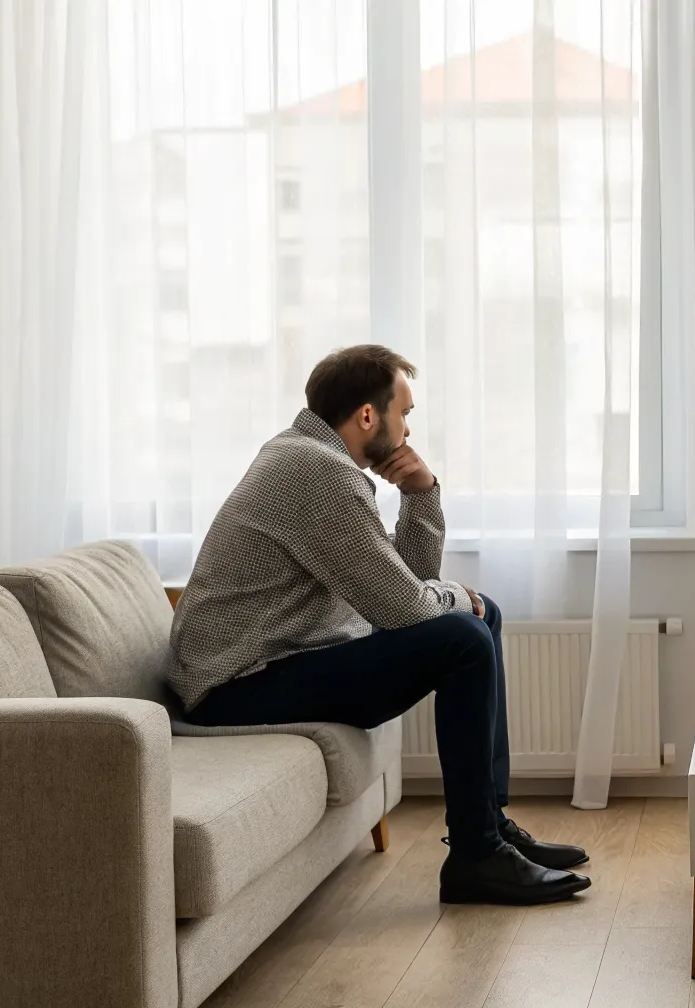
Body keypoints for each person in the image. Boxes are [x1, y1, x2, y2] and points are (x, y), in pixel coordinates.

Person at [167, 345, 591, 905]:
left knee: (478, 618)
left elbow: (404, 583)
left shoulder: (313, 459)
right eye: (405, 413)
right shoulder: (316, 473)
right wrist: (456, 598)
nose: (409, 429)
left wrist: (420, 495)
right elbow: (407, 609)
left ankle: (488, 826)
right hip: (233, 688)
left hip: (273, 666)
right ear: (369, 415)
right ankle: (477, 855)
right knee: (464, 634)